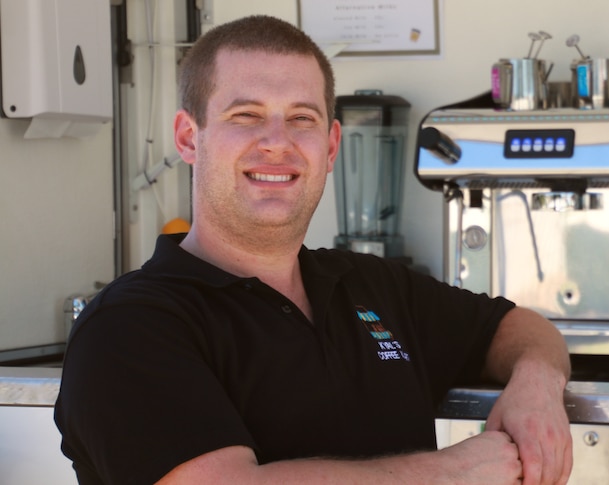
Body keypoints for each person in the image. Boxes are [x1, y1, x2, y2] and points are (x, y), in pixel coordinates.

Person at [54, 14, 573, 485]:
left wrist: (537, 383)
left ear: (329, 147)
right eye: (246, 115)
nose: (277, 141)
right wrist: (453, 472)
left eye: (302, 118)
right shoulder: (129, 325)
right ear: (190, 138)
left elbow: (515, 327)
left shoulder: (373, 286)